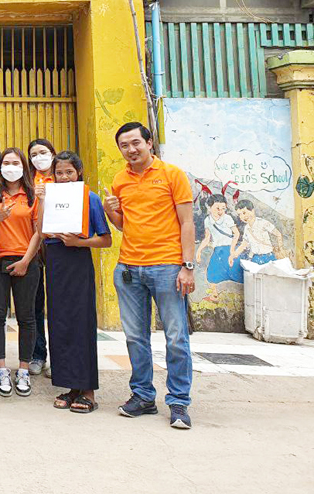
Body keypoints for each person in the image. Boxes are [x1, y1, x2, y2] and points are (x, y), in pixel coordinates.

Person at [105, 122, 195, 430]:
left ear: (149, 142)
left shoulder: (172, 175)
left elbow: (187, 223)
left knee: (176, 338)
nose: (130, 150)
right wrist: (110, 210)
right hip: (129, 268)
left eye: (135, 143)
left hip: (168, 268)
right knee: (135, 338)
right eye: (124, 146)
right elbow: (122, 225)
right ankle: (142, 396)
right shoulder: (119, 180)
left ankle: (179, 402)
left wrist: (188, 266)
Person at [38, 151, 111, 413]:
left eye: (69, 172)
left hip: (78, 261)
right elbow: (40, 232)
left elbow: (105, 239)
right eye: (59, 172)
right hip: (55, 263)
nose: (64, 177)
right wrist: (43, 202)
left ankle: (88, 390)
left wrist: (78, 242)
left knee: (81, 323)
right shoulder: (50, 196)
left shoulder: (89, 198)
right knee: (59, 323)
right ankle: (70, 386)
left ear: (78, 172)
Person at [0, 148, 41, 398]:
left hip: (26, 262)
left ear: (23, 166)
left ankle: (23, 369)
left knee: (27, 317)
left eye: (15, 162)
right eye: (6, 162)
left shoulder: (32, 196)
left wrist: (26, 261)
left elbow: (38, 232)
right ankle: (1, 369)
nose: (10, 166)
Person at [27, 138, 57, 378]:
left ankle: (60, 356)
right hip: (33, 246)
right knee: (35, 304)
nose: (39, 157)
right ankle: (38, 355)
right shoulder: (28, 183)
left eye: (43, 152)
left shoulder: (63, 177)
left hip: (59, 244)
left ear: (53, 153)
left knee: (58, 305)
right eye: (34, 154)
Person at [196, 194, 244, 292]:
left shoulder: (227, 218)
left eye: (223, 208)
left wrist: (232, 250)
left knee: (236, 273)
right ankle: (215, 295)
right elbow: (207, 238)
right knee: (212, 274)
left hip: (229, 248)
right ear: (209, 207)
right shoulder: (207, 220)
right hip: (218, 250)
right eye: (217, 208)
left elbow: (236, 234)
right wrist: (199, 251)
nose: (220, 211)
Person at [233, 200, 285, 265]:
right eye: (239, 215)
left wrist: (281, 248)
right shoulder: (246, 228)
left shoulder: (262, 223)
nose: (243, 217)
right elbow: (244, 243)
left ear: (252, 211)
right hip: (255, 258)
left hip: (268, 257)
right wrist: (235, 254)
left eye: (244, 213)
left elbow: (278, 234)